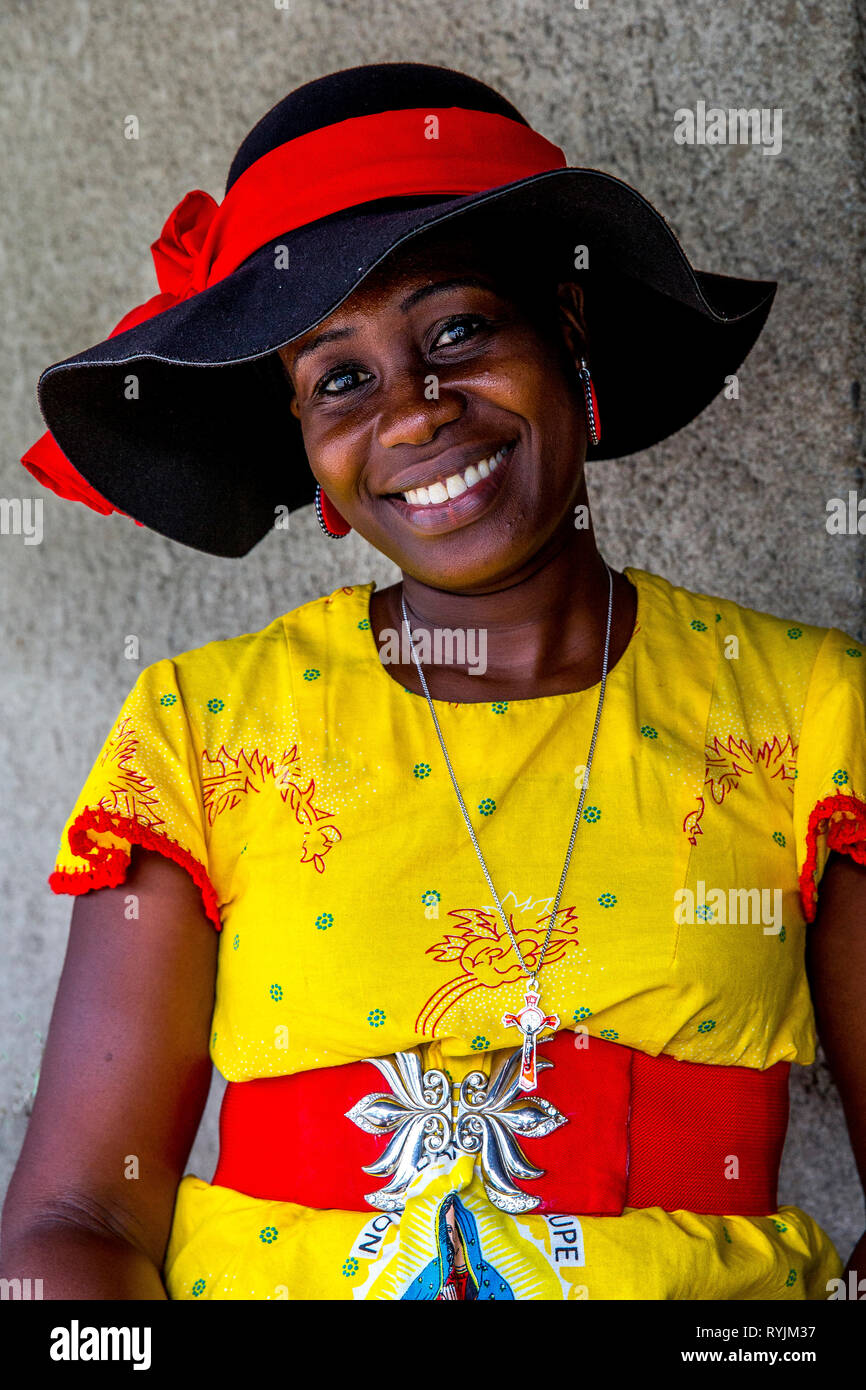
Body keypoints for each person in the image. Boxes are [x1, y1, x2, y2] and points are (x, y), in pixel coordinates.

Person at [2, 61, 864, 1302]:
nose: (413, 412)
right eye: (339, 378)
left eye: (458, 330)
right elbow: (75, 1223)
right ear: (309, 451)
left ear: (567, 340)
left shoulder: (806, 711)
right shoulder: (202, 731)